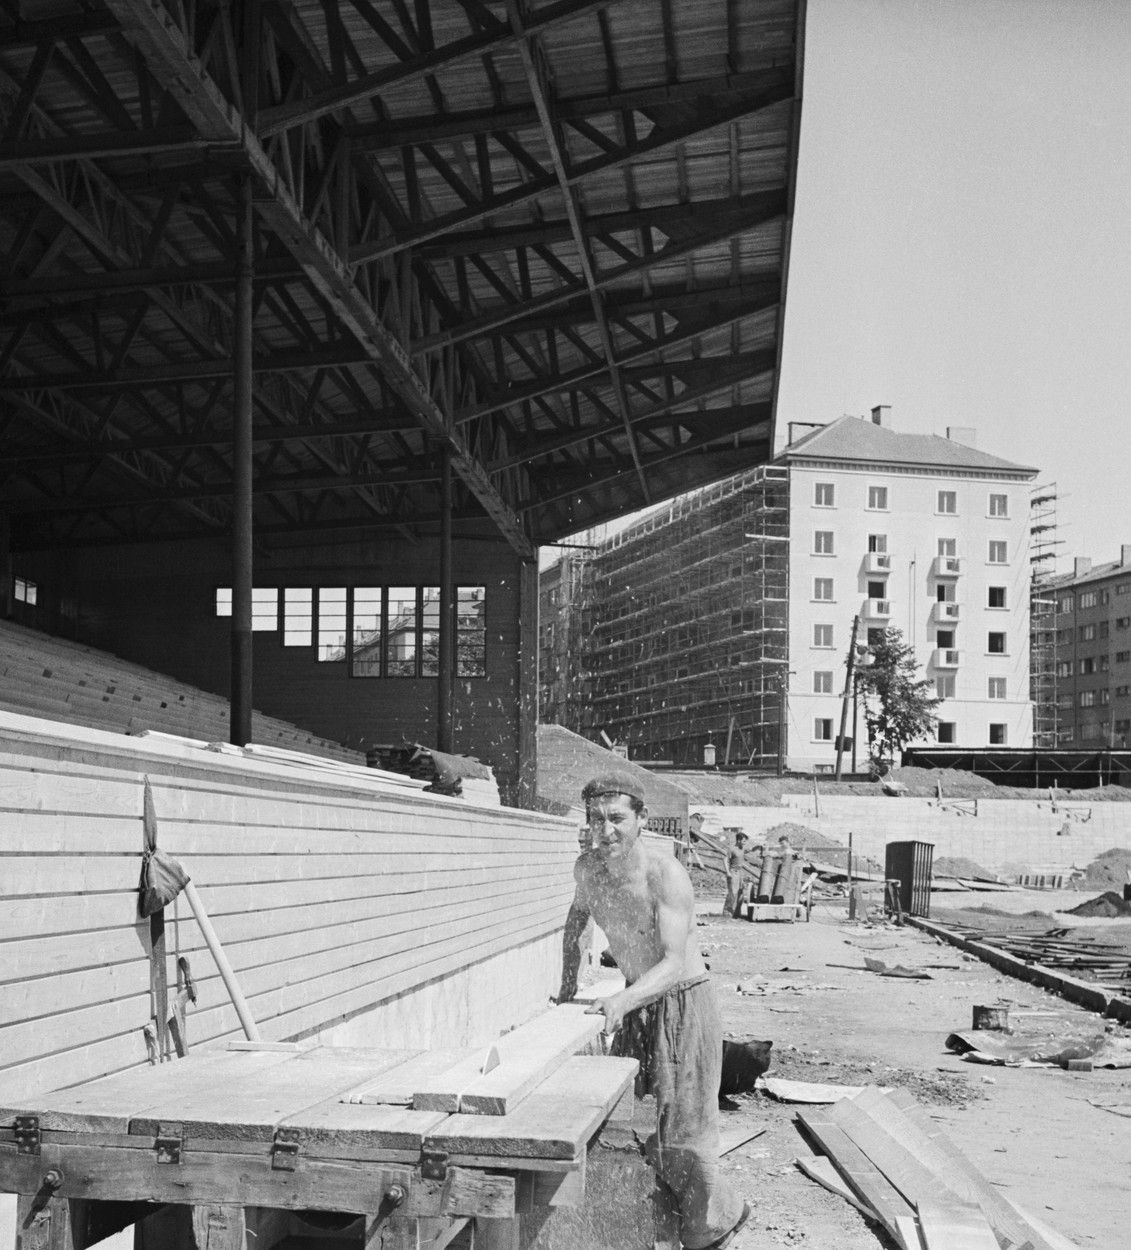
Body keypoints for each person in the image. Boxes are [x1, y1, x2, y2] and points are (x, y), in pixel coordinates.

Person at [558, 774, 751, 1250]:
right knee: (636, 1125)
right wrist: (566, 987)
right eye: (595, 819)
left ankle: (715, 1227)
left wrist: (620, 1002)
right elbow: (576, 923)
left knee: (685, 1133)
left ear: (642, 819)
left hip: (683, 1002)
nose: (605, 831)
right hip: (635, 1001)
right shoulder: (587, 869)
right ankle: (660, 1231)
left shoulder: (665, 874)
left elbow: (671, 962)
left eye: (617, 819)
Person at [723, 832, 749, 917]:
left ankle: (736, 913)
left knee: (740, 893)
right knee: (733, 893)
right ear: (738, 840)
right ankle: (727, 913)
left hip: (740, 873)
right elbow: (725, 860)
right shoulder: (732, 849)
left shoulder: (742, 849)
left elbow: (750, 851)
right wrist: (728, 872)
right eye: (744, 841)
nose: (745, 843)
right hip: (733, 872)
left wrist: (758, 847)